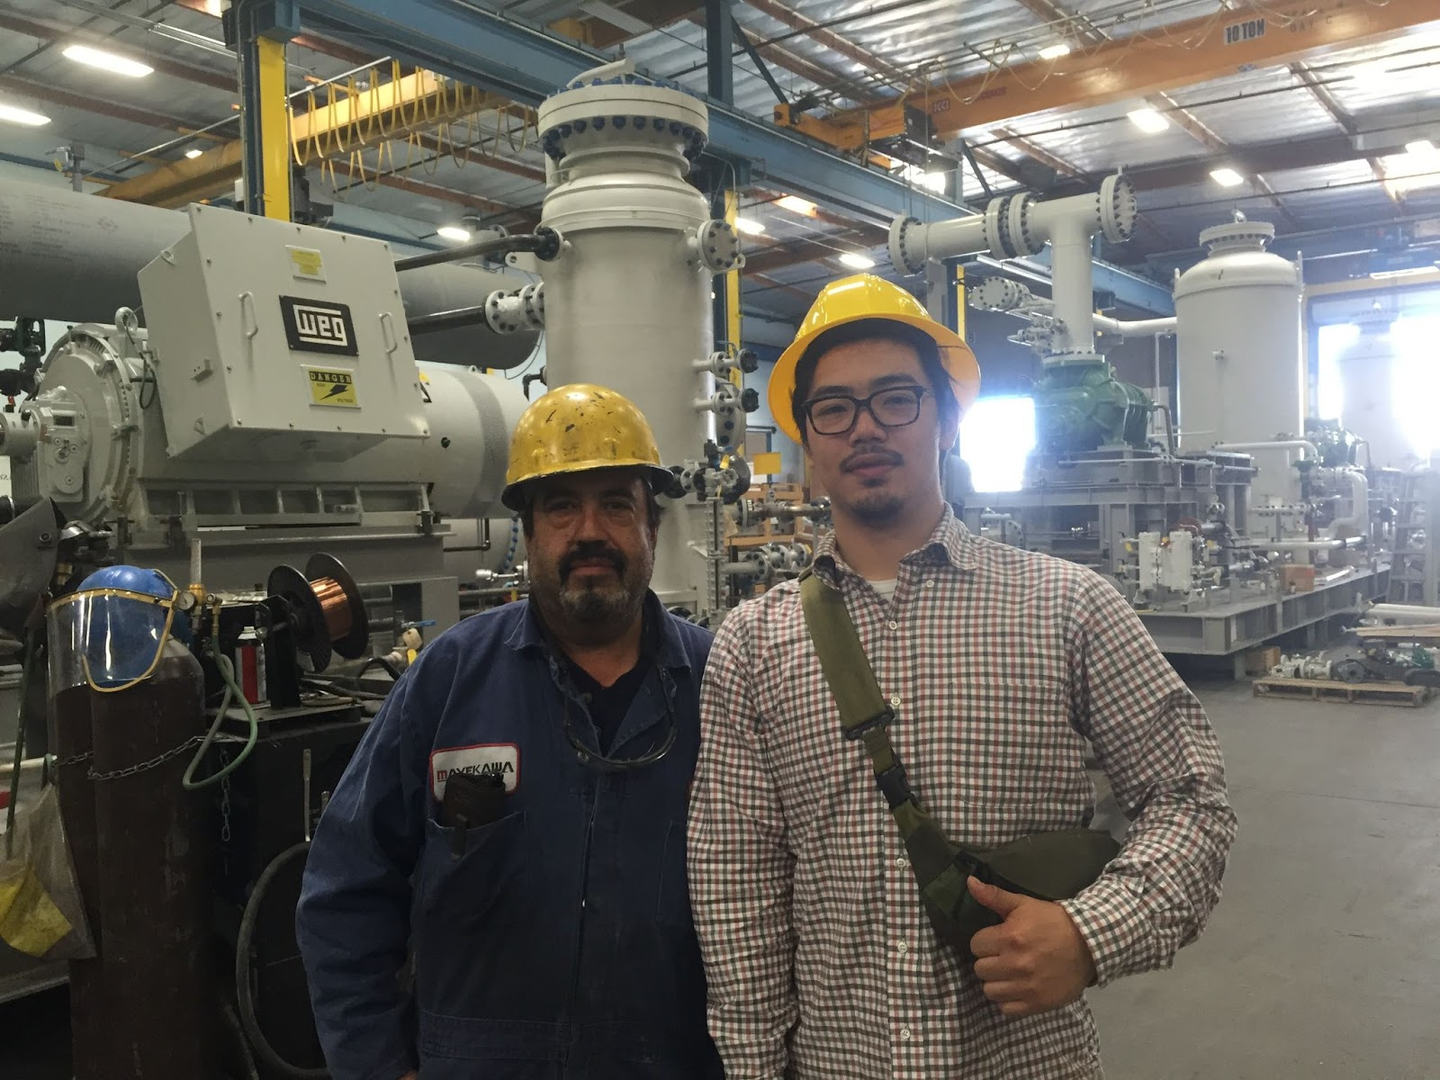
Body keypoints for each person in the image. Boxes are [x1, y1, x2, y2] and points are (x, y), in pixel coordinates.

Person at [688, 274, 1237, 1079]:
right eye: (834, 408)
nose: (865, 427)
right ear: (808, 438)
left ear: (947, 420)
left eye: (896, 400)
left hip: (1026, 1061)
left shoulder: (1068, 607)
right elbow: (738, 885)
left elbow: (1190, 800)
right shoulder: (752, 645)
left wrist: (1091, 934)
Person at [297, 384, 722, 1080]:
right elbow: (345, 888)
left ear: (652, 526)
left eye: (617, 504)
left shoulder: (719, 685)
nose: (589, 531)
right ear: (526, 533)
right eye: (561, 507)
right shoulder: (449, 680)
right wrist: (378, 1065)